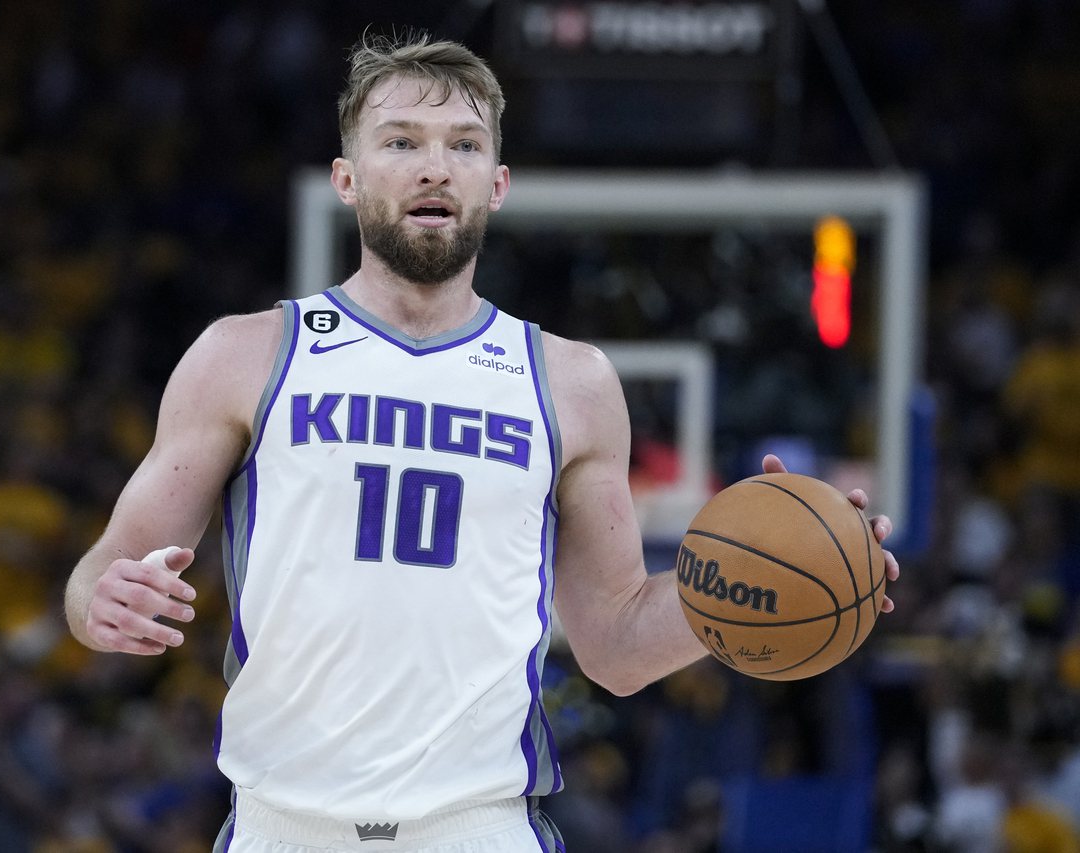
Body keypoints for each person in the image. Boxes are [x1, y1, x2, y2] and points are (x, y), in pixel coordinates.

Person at [63, 31, 901, 853]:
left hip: (481, 830)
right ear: (347, 179)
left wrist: (757, 574)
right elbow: (106, 566)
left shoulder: (572, 381)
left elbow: (614, 645)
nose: (435, 166)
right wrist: (102, 599)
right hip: (283, 827)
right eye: (402, 142)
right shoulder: (243, 355)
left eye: (463, 144)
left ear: (496, 184)